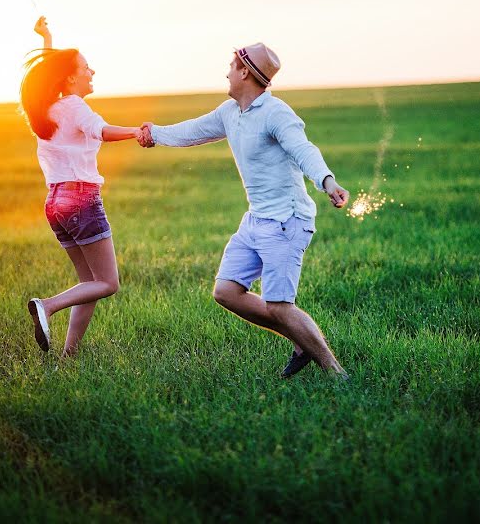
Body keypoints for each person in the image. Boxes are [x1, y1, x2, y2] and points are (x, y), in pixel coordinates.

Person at [138, 43, 350, 378]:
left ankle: (336, 373)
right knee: (226, 292)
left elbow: (303, 150)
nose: (226, 72)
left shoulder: (276, 113)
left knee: (280, 306)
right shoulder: (229, 112)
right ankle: (301, 343)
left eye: (230, 66)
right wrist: (155, 134)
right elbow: (193, 131)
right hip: (255, 221)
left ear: (245, 72)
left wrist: (327, 181)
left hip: (286, 221)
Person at [21, 16, 142, 357]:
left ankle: (68, 357)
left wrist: (47, 37)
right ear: (71, 77)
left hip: (55, 203)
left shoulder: (48, 107)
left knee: (88, 283)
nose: (92, 72)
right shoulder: (75, 106)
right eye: (87, 68)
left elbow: (46, 73)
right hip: (81, 200)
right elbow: (101, 131)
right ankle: (47, 305)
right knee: (108, 283)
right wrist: (138, 131)